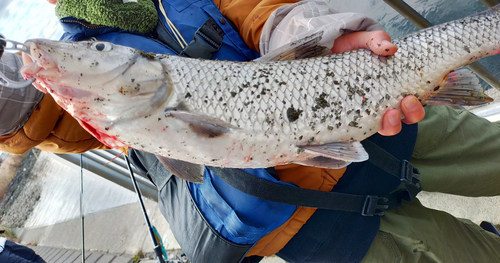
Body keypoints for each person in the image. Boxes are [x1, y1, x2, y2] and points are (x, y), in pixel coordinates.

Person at [13, 0, 500, 262]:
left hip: (374, 118)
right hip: (320, 224)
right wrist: (9, 94)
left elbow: (261, 11)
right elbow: (33, 119)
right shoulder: (68, 67)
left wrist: (325, 38)